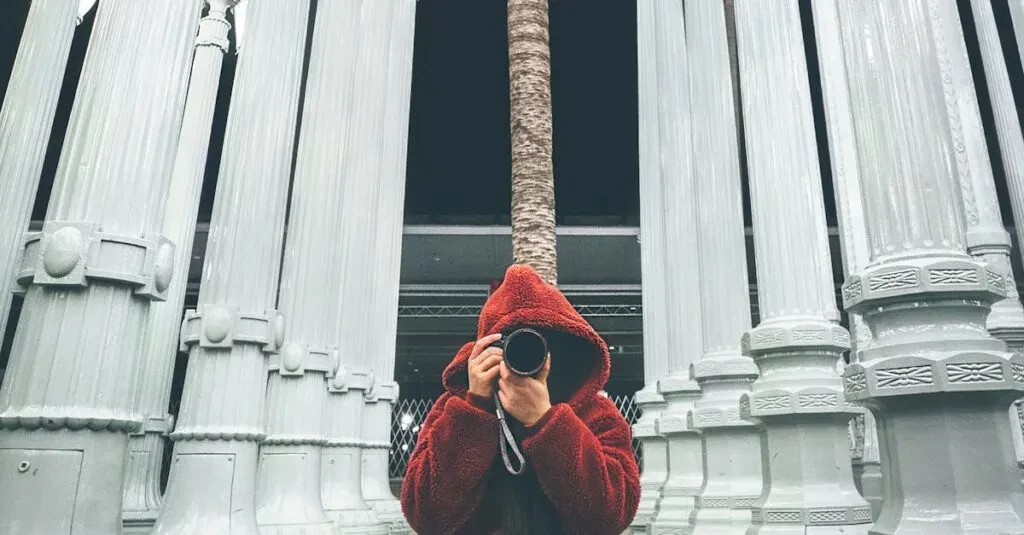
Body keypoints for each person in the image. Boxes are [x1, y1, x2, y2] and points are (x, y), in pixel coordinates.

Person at [400, 264, 641, 535]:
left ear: (560, 351)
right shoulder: (455, 409)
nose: (523, 358)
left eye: (536, 345)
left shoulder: (594, 412)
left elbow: (610, 517)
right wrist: (476, 406)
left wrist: (546, 421)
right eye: (512, 346)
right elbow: (425, 517)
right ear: (486, 349)